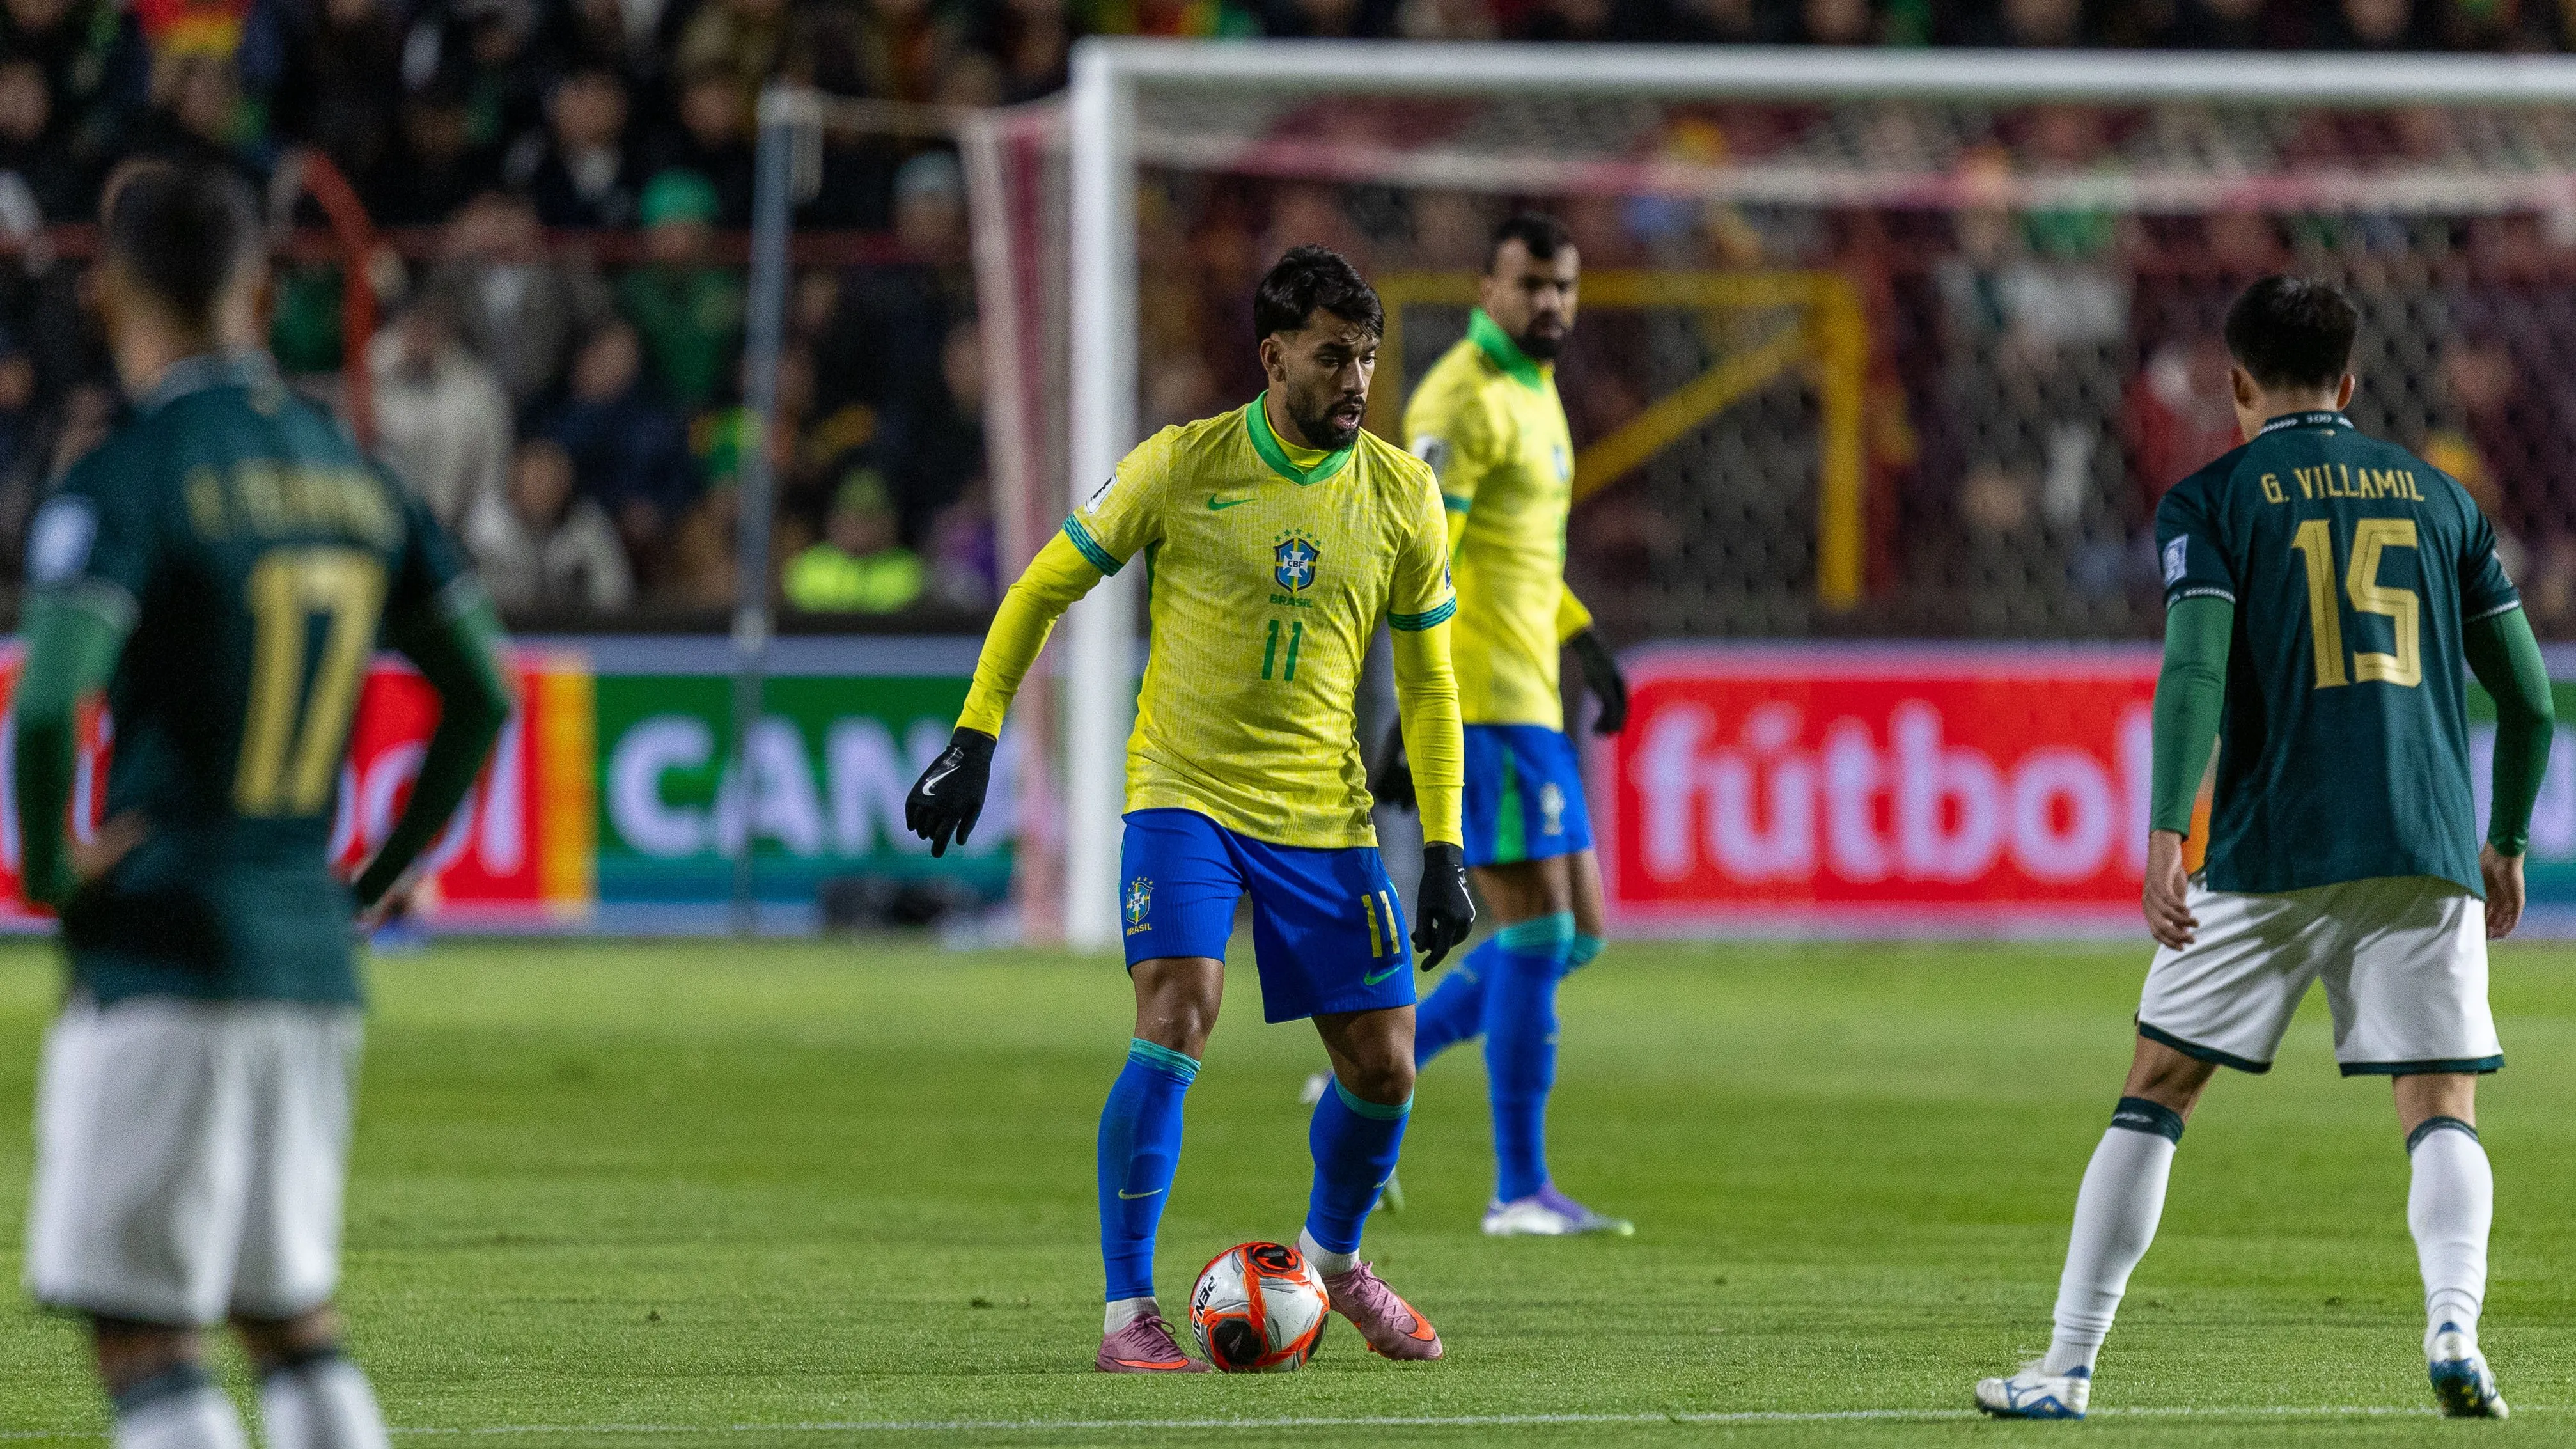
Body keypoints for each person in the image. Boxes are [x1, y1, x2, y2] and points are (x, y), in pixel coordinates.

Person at [1974, 276, 2553, 1422]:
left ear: (2233, 384)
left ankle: (2067, 1367)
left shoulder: (2211, 497)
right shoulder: (2440, 498)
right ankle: (2451, 1326)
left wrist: (2160, 829)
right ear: (2348, 383)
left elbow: (2191, 667)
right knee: (2438, 1101)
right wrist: (2503, 840)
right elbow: (2529, 702)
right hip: (2423, 841)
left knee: (2156, 1087)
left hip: (2268, 841)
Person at [904, 244, 1476, 1373]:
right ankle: (1128, 1316)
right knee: (1175, 1012)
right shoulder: (1179, 465)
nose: (1356, 378)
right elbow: (1039, 587)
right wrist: (975, 735)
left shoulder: (1403, 494)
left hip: (1325, 810)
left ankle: (1336, 1263)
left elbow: (1428, 680)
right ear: (1272, 356)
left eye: (1366, 355)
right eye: (1330, 355)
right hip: (1185, 794)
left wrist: (1444, 846)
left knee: (1384, 1067)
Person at [13, 162, 515, 1449]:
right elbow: (483, 693)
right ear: (261, 290)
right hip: (308, 950)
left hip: (169, 943)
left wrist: (62, 877)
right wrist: (379, 867)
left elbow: (43, 702)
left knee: (142, 1333)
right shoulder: (355, 476)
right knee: (289, 1318)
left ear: (107, 285)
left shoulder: (127, 477)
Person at [1374, 212, 1632, 1237]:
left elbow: (1521, 557)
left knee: (1579, 934)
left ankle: (1373, 1066)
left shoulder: (1535, 386)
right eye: (1530, 286)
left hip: (1531, 689)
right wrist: (1412, 713)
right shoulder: (1459, 399)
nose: (1550, 304)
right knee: (1539, 932)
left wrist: (1585, 636)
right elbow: (1422, 560)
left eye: (1563, 286)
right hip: (1480, 696)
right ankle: (1517, 1190)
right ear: (1487, 289)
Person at [783, 471, 922, 614]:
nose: (858, 527)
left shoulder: (908, 569)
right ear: (832, 520)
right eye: (849, 515)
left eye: (869, 516)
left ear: (889, 522)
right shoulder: (809, 566)